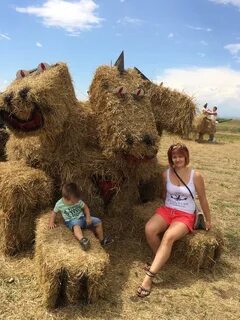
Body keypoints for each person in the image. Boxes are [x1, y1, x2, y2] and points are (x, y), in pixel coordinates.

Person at [137, 143, 211, 298]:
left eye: (180, 156)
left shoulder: (195, 175)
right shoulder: (166, 174)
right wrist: (165, 210)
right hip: (168, 210)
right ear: (171, 159)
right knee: (149, 229)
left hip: (185, 214)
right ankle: (161, 260)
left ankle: (149, 277)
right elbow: (165, 195)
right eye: (174, 157)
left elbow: (203, 199)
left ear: (186, 156)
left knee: (168, 236)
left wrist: (208, 220)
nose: (178, 159)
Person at [49, 182, 112, 250]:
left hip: (83, 218)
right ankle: (83, 240)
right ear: (67, 198)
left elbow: (85, 208)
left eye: (77, 200)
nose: (76, 202)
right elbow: (54, 212)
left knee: (98, 221)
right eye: (74, 201)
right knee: (76, 226)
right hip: (71, 221)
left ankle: (101, 240)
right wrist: (51, 222)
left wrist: (88, 217)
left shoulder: (77, 200)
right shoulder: (59, 204)